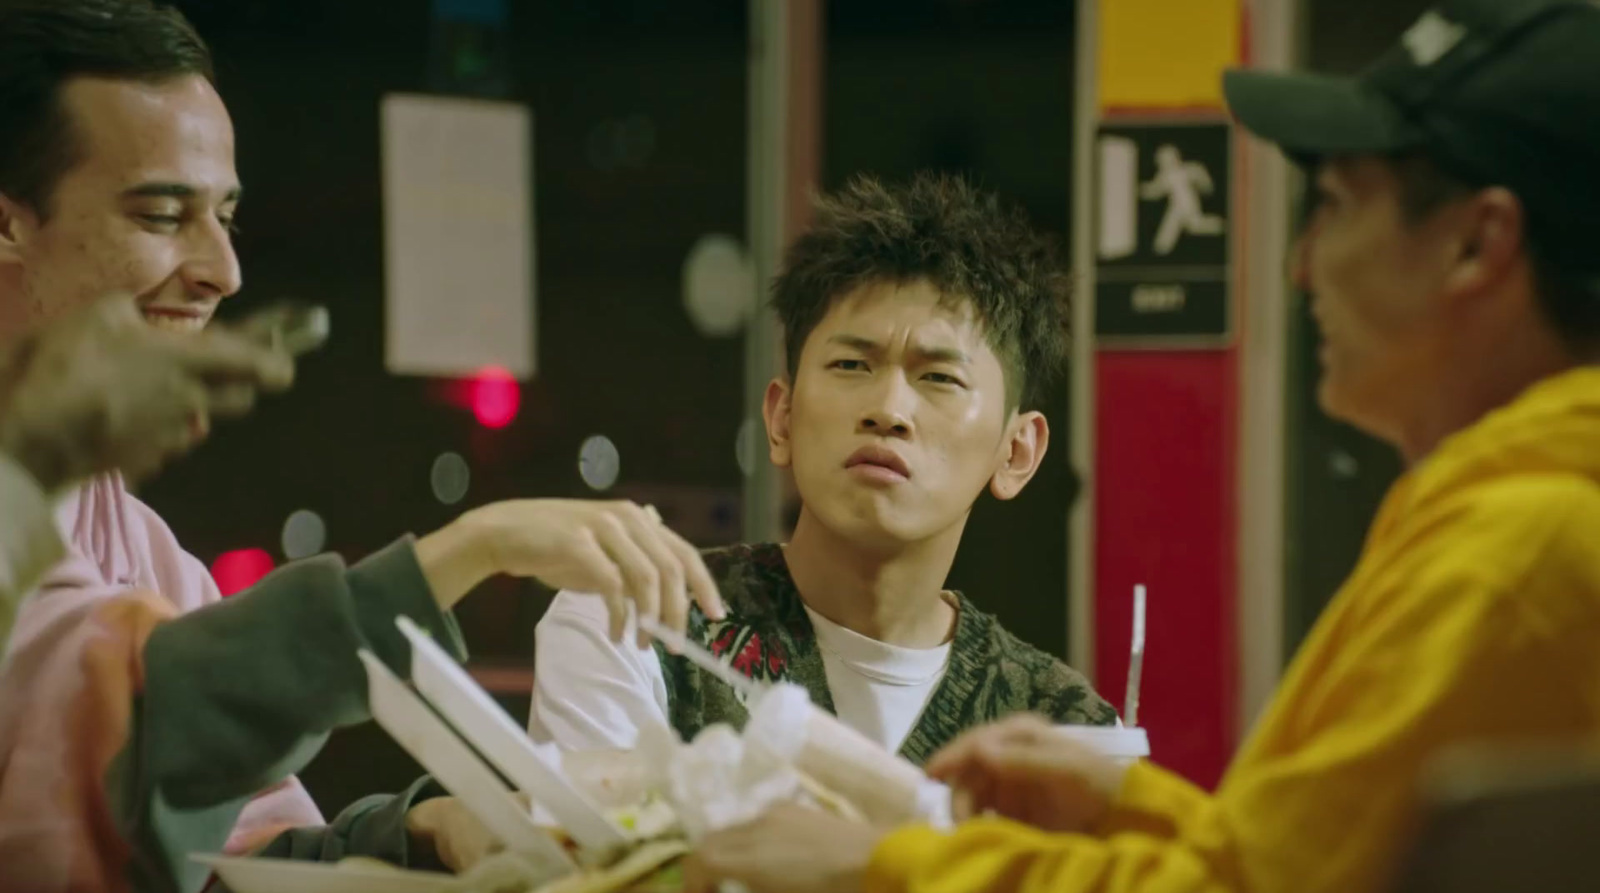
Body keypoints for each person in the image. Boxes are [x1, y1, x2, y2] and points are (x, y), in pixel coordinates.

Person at [678, 1, 1600, 892]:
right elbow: (1295, 868)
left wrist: (878, 867)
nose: (1302, 263)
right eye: (851, 364)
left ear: (1476, 246)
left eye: (1337, 207)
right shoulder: (655, 625)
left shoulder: (1516, 556)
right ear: (782, 413)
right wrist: (1136, 803)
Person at [0, 3, 720, 891]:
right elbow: (156, 722)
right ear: (8, 223)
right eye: (161, 214)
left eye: (225, 215)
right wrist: (469, 549)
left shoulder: (135, 539)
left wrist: (424, 829)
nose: (222, 269)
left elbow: (229, 849)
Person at [528, 172, 1115, 770]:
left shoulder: (1069, 734)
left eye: (939, 377)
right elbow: (599, 856)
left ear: (1016, 451)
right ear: (782, 418)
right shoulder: (638, 626)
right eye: (851, 364)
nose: (888, 411)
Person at [0, 294, 293, 644]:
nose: (226, 274)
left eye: (229, 235)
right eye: (164, 234)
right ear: (7, 235)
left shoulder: (157, 558)